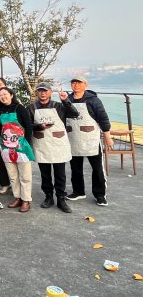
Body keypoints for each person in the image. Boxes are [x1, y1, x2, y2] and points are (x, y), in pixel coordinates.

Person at [28, 82, 79, 213]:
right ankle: (48, 197)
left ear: (50, 92)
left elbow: (75, 114)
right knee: (45, 174)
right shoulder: (31, 107)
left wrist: (66, 100)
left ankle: (61, 199)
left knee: (60, 174)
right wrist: (39, 126)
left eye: (45, 90)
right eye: (40, 91)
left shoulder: (59, 106)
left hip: (58, 144)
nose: (42, 93)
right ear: (37, 93)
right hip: (41, 144)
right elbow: (27, 125)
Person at [66, 76, 112, 206]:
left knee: (97, 168)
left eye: (79, 83)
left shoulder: (93, 100)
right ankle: (78, 191)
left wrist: (107, 136)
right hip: (73, 138)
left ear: (85, 85)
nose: (76, 85)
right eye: (73, 83)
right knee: (75, 168)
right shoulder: (67, 100)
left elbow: (103, 118)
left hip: (91, 139)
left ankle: (100, 195)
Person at [0, 87, 35, 212]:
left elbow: (28, 127)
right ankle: (17, 197)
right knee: (13, 175)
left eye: (5, 94)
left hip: (21, 146)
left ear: (11, 95)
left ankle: (26, 200)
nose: (3, 97)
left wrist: (26, 144)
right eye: (0, 95)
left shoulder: (20, 108)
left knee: (25, 175)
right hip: (6, 146)